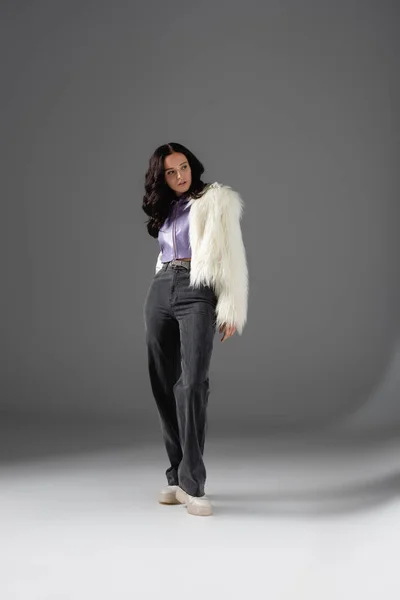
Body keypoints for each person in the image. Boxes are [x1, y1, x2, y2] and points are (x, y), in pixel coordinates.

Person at [142, 142, 248, 516]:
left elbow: (231, 253)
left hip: (197, 290)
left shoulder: (214, 200)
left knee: (193, 383)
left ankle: (193, 484)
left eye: (183, 167)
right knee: (161, 380)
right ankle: (176, 475)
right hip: (160, 288)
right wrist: (160, 282)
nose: (180, 176)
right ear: (162, 177)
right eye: (170, 172)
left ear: (192, 166)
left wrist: (231, 305)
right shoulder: (166, 207)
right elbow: (163, 253)